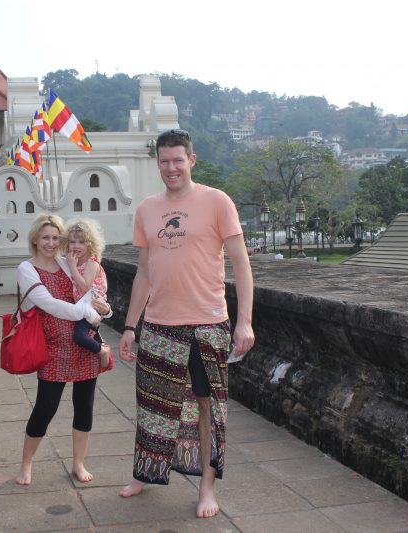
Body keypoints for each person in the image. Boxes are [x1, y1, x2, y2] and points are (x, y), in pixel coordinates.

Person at [118, 128, 255, 518]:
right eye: (164, 161)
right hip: (159, 325)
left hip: (206, 325)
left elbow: (242, 266)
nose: (171, 167)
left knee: (207, 407)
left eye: (178, 159)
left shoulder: (216, 202)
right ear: (156, 163)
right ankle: (146, 472)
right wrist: (130, 327)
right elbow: (144, 273)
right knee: (153, 405)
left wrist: (244, 322)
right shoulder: (147, 209)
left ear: (191, 160)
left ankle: (206, 488)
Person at [15, 213, 114, 486]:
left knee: (84, 407)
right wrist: (94, 314)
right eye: (45, 237)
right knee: (45, 409)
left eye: (55, 238)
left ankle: (78, 463)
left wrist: (105, 311)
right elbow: (53, 306)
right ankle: (26, 464)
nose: (50, 243)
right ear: (35, 239)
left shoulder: (67, 263)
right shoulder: (27, 269)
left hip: (83, 348)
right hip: (52, 350)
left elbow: (93, 293)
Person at [65, 219, 112, 369]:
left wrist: (72, 266)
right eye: (73, 242)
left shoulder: (91, 262)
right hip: (82, 305)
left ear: (90, 244)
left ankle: (102, 351)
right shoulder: (76, 260)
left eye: (81, 242)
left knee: (79, 336)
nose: (76, 245)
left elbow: (85, 287)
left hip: (91, 304)